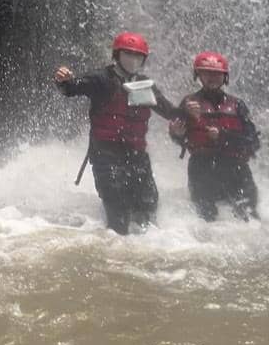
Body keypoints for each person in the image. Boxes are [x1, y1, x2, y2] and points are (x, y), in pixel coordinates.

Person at [54, 32, 179, 234]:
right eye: (127, 54)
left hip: (137, 157)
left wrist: (186, 117)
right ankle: (115, 250)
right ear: (117, 55)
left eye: (137, 56)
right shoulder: (101, 79)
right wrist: (64, 81)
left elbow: (169, 111)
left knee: (148, 207)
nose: (132, 60)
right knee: (118, 210)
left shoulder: (146, 85)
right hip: (106, 155)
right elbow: (73, 88)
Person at [169, 52, 260, 221]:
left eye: (217, 74)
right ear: (198, 75)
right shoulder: (188, 103)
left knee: (249, 218)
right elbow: (180, 137)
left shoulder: (237, 105)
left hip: (236, 169)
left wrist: (224, 136)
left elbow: (253, 141)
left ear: (225, 77)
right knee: (207, 219)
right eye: (207, 73)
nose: (212, 77)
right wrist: (177, 133)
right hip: (202, 169)